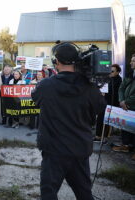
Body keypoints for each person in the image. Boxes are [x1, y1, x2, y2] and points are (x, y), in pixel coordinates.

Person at [31, 42, 106, 200]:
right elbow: (100, 107)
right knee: (84, 193)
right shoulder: (90, 88)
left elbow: (35, 98)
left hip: (54, 151)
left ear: (56, 61)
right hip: (79, 149)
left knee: (49, 194)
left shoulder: (45, 86)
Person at [112, 54, 135, 160]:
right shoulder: (130, 73)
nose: (131, 63)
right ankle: (125, 146)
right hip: (125, 105)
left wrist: (126, 101)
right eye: (131, 60)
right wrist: (121, 100)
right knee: (125, 127)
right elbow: (121, 88)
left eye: (133, 61)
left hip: (131, 105)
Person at [94, 64, 122, 142]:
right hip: (103, 101)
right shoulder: (107, 78)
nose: (111, 72)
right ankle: (98, 135)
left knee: (107, 120)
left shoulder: (119, 80)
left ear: (118, 72)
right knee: (100, 117)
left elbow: (116, 92)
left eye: (113, 71)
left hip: (112, 103)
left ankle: (105, 137)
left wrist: (106, 93)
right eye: (110, 71)